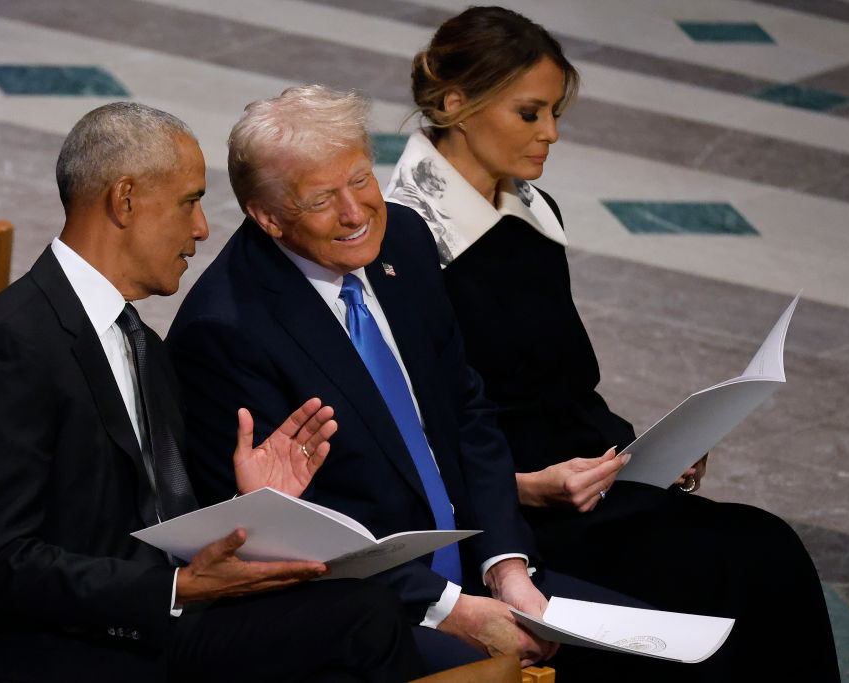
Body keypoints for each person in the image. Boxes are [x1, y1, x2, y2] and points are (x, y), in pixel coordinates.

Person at [165, 85, 727, 681]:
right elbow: (284, 532)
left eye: (360, 180)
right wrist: (451, 608)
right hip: (375, 607)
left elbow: (467, 411)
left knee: (672, 656)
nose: (356, 212)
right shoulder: (224, 332)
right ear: (268, 216)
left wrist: (506, 566)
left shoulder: (403, 239)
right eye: (323, 199)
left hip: (477, 562)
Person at [385, 6, 840, 681]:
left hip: (590, 480)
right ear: (455, 103)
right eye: (531, 113)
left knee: (768, 550)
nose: (553, 134)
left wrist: (651, 448)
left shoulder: (535, 212)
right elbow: (414, 426)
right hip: (509, 511)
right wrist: (527, 489)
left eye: (555, 113)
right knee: (735, 570)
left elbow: (560, 379)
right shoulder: (403, 238)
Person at [0, 102, 423, 683]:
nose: (202, 227)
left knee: (360, 616)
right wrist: (173, 587)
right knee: (358, 625)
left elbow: (148, 513)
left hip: (156, 631)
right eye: (190, 201)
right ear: (124, 200)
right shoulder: (12, 347)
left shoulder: (140, 340)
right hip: (69, 652)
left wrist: (256, 510)